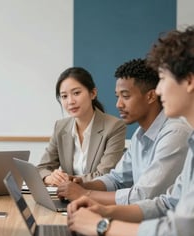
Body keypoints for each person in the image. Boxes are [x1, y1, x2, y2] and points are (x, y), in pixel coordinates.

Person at [67, 26, 194, 236]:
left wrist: (103, 225)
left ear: (188, 81)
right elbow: (168, 203)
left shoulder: (177, 132)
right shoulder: (186, 140)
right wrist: (105, 211)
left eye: (163, 79)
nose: (157, 89)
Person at [57, 58, 191, 205]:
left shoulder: (175, 133)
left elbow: (143, 196)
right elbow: (116, 179)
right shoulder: (140, 134)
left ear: (151, 96)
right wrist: (82, 184)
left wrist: (85, 194)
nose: (118, 104)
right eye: (117, 96)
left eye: (126, 96)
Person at [37, 67, 126, 185]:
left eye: (76, 93)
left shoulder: (114, 126)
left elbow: (105, 175)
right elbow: (42, 168)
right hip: (66, 197)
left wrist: (67, 180)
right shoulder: (60, 127)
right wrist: (50, 178)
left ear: (93, 93)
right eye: (64, 96)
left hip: (97, 198)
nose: (70, 101)